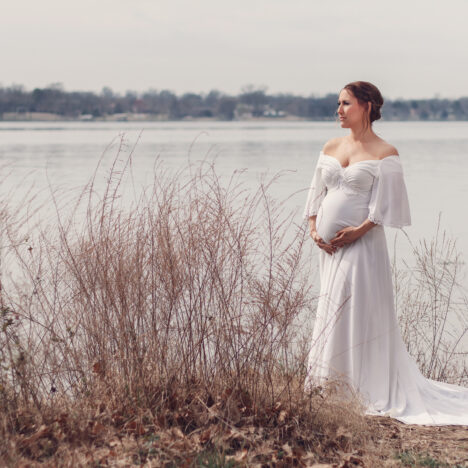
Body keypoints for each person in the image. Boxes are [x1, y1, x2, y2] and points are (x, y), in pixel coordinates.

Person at [303, 81, 468, 426]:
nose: (339, 110)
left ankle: (362, 384)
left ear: (365, 105)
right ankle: (329, 382)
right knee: (331, 305)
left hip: (363, 247)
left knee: (356, 307)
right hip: (329, 248)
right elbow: (314, 196)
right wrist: (316, 231)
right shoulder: (331, 146)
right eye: (338, 104)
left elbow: (386, 210)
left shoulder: (385, 153)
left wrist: (357, 231)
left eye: (345, 103)